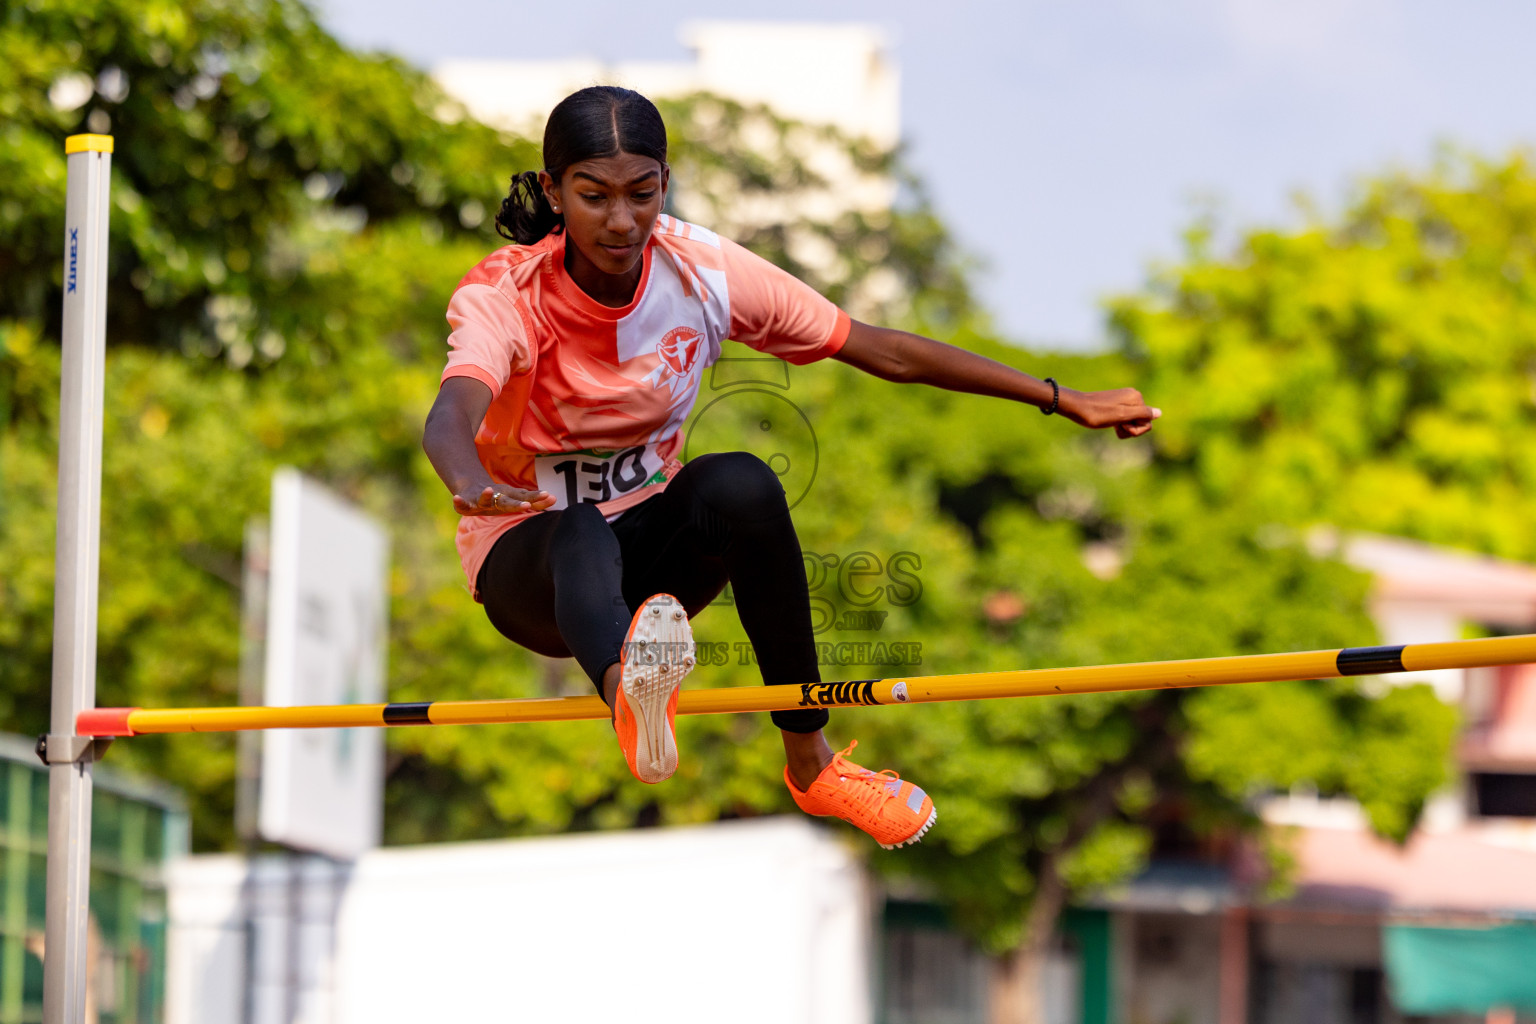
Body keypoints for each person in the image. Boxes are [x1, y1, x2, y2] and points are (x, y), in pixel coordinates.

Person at [422, 86, 1159, 850]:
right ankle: (631, 701)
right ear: (553, 190)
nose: (620, 221)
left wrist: (1060, 397)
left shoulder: (701, 272)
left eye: (642, 194)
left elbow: (884, 349)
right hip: (534, 571)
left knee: (741, 482)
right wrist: (466, 480)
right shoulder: (507, 292)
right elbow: (452, 412)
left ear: (664, 182)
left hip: (650, 560)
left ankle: (812, 763)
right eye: (594, 196)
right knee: (578, 526)